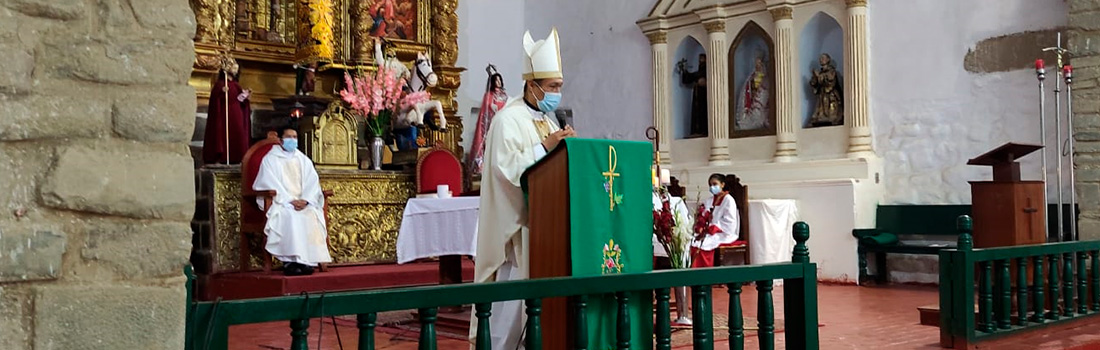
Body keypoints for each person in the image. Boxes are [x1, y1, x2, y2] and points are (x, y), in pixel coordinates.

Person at [469, 27, 576, 350]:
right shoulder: (507, 120)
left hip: (545, 232)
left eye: (559, 86)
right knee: (508, 321)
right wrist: (545, 147)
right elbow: (505, 171)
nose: (558, 92)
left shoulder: (549, 120)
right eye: (552, 87)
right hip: (517, 238)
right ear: (532, 85)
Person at [253, 127, 332, 276]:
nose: (292, 140)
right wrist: (290, 201)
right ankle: (290, 262)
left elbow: (312, 183)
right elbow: (268, 182)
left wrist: (306, 200)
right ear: (281, 140)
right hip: (281, 202)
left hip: (302, 202)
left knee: (310, 214)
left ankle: (306, 261)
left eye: (295, 137)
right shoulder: (270, 159)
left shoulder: (302, 159)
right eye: (289, 137)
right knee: (290, 216)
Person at [203, 54, 252, 165]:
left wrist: (245, 96)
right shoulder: (220, 84)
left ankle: (238, 157)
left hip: (236, 114)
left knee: (238, 135)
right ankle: (222, 157)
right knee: (223, 135)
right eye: (232, 66)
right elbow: (215, 101)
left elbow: (240, 100)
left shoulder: (236, 85)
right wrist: (221, 92)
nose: (235, 69)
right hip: (224, 115)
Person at [466, 64, 509, 182]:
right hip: (492, 124)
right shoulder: (489, 95)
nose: (499, 82)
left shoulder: (504, 95)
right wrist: (494, 108)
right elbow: (488, 107)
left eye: (500, 80)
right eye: (496, 80)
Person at [691, 173, 740, 267]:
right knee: (693, 242)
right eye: (710, 185)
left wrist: (715, 227)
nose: (712, 187)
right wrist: (701, 226)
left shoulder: (728, 200)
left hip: (723, 233)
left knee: (703, 245)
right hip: (708, 232)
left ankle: (704, 275)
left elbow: (730, 221)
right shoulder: (709, 200)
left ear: (722, 184)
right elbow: (703, 216)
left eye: (714, 184)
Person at [677, 53, 707, 137]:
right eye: (699, 59)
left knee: (703, 113)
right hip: (697, 96)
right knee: (696, 113)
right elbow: (689, 77)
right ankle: (696, 131)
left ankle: (704, 130)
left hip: (705, 98)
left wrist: (705, 83)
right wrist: (683, 69)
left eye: (702, 59)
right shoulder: (699, 73)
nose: (700, 61)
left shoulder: (709, 72)